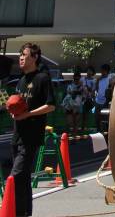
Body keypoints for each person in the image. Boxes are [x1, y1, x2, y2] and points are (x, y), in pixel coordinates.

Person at [10, 43, 55, 217]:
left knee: (16, 175)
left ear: (35, 57)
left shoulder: (42, 78)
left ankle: (14, 211)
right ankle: (24, 212)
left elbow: (51, 106)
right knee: (23, 178)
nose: (21, 57)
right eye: (20, 54)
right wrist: (13, 110)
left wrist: (27, 114)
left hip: (32, 136)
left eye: (25, 54)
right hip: (17, 134)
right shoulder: (21, 81)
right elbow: (19, 105)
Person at [62, 68, 86, 137]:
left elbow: (84, 96)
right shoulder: (69, 86)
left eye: (78, 79)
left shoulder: (82, 87)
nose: (76, 80)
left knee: (76, 123)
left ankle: (74, 137)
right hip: (70, 106)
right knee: (70, 122)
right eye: (75, 79)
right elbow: (67, 96)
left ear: (80, 78)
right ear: (73, 78)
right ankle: (69, 136)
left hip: (78, 106)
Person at [94, 63, 112, 132]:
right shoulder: (99, 79)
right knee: (97, 118)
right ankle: (98, 131)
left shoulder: (110, 79)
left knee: (103, 119)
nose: (101, 72)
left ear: (106, 71)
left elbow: (109, 90)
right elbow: (96, 89)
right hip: (98, 101)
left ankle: (104, 133)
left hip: (105, 102)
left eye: (102, 70)